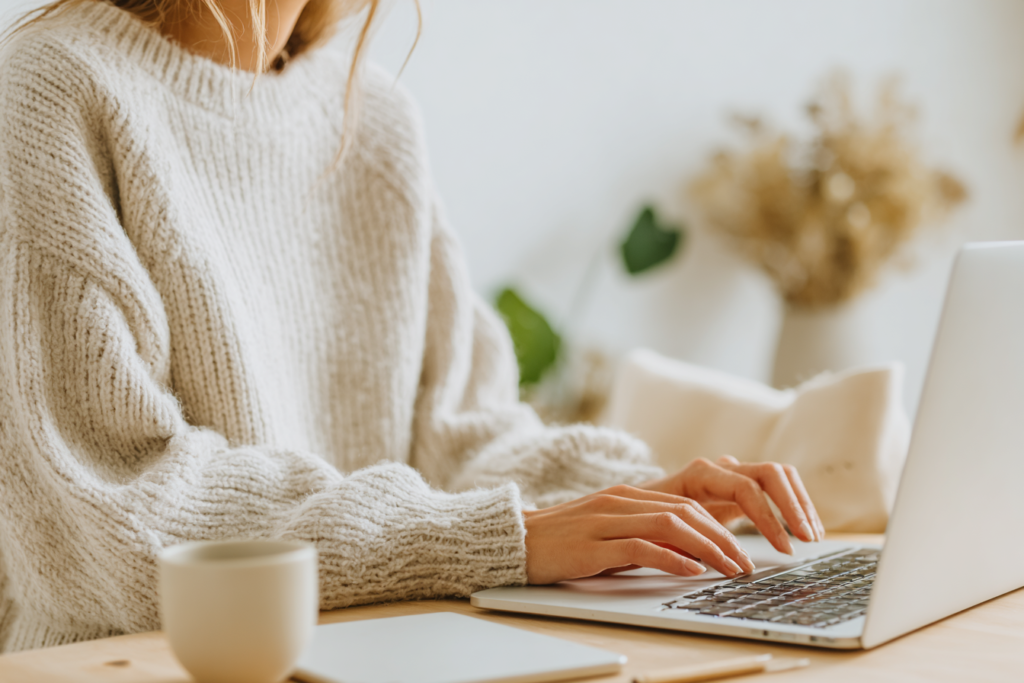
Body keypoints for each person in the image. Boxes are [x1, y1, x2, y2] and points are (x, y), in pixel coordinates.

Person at [0, 0, 824, 653]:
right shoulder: (53, 93)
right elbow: (116, 516)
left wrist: (641, 497)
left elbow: (458, 440)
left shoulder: (374, 117)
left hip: (384, 649)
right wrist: (503, 538)